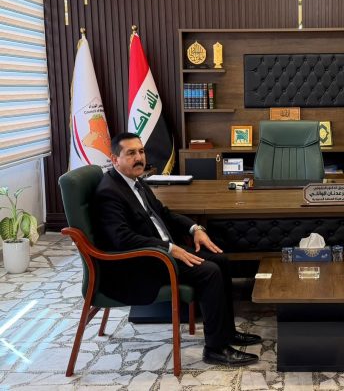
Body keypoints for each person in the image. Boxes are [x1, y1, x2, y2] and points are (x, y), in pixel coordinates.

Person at [94, 132, 261, 367]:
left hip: (162, 251)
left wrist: (195, 228)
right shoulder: (109, 192)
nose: (139, 158)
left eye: (141, 151)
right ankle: (215, 349)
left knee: (221, 260)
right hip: (143, 263)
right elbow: (122, 239)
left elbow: (163, 213)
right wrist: (169, 248)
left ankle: (226, 333)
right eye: (131, 153)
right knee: (210, 272)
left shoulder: (136, 181)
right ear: (114, 159)